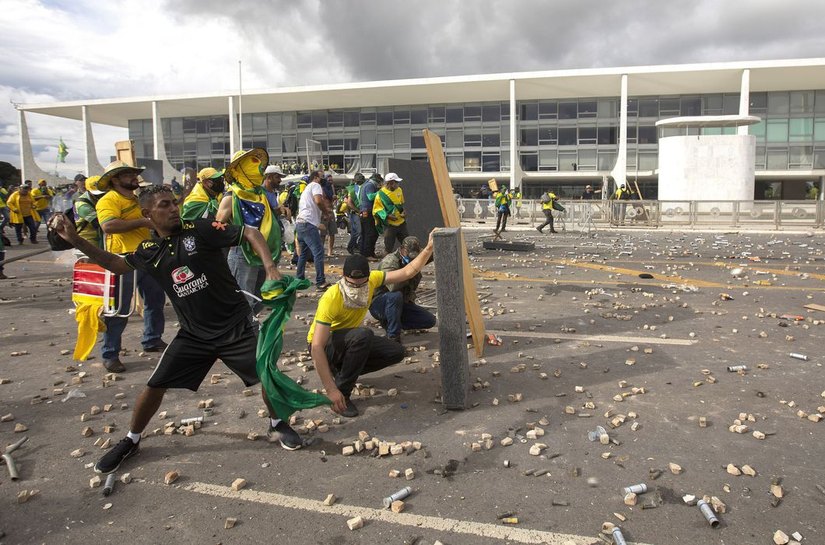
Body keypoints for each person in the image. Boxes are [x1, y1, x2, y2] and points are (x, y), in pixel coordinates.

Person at [50, 185, 305, 475]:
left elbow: (250, 232)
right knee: (154, 385)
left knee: (267, 376)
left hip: (236, 326)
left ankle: (277, 424)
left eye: (174, 202)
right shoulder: (149, 250)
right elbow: (115, 264)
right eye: (164, 205)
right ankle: (131, 440)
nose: (173, 208)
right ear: (147, 214)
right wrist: (73, 238)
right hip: (194, 334)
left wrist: (270, 267)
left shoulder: (202, 228)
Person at [308, 240, 434, 417]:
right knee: (363, 335)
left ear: (368, 277)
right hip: (325, 346)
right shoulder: (331, 298)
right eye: (353, 283)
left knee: (396, 351)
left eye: (362, 283)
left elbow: (407, 272)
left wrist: (428, 248)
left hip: (349, 340)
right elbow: (316, 346)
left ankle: (342, 372)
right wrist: (330, 390)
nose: (357, 288)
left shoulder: (374, 279)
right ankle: (342, 394)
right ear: (344, 277)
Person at [96, 160, 167, 372]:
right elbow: (108, 225)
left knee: (155, 300)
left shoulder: (137, 200)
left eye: (134, 173)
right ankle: (110, 353)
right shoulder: (109, 199)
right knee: (119, 308)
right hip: (122, 260)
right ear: (115, 180)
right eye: (128, 174)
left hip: (146, 255)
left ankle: (152, 339)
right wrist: (143, 223)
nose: (134, 177)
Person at [216, 149, 282, 313]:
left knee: (261, 296)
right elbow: (217, 227)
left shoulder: (259, 195)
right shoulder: (231, 196)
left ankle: (249, 325)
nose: (258, 167)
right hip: (242, 253)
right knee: (243, 300)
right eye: (252, 163)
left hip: (263, 252)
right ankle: (245, 333)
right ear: (240, 169)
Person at [369, 236, 436, 343]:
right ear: (403, 250)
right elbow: (393, 286)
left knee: (429, 320)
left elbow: (429, 255)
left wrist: (433, 243)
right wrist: (410, 271)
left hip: (401, 303)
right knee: (396, 296)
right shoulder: (390, 261)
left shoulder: (414, 257)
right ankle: (393, 337)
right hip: (381, 303)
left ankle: (392, 322)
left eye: (415, 256)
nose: (413, 259)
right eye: (410, 256)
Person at [295, 170, 331, 290]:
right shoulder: (315, 185)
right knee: (318, 252)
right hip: (307, 223)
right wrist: (326, 212)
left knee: (303, 254)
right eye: (322, 177)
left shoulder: (306, 189)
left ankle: (299, 280)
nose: (324, 179)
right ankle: (320, 281)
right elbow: (318, 201)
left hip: (300, 223)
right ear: (316, 177)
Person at [373, 172, 408, 254]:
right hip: (390, 225)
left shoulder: (399, 190)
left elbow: (401, 204)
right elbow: (377, 210)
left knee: (407, 244)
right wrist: (388, 216)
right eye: (397, 182)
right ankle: (386, 264)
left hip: (401, 223)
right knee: (388, 248)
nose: (398, 184)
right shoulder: (380, 194)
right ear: (391, 183)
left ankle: (407, 263)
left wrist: (404, 212)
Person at [73, 175, 108, 249]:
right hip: (88, 240)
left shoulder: (97, 200)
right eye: (97, 194)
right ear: (87, 190)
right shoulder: (82, 205)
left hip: (98, 237)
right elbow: (101, 224)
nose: (101, 196)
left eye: (102, 193)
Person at [358, 173, 382, 259]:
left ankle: (366, 253)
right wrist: (380, 191)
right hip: (367, 212)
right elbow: (370, 197)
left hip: (365, 212)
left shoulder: (366, 184)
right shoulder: (370, 185)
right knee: (371, 233)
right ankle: (368, 254)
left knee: (367, 233)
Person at [344, 173, 364, 255]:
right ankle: (351, 247)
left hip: (355, 213)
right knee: (358, 232)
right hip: (355, 213)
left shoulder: (357, 188)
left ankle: (355, 247)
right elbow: (348, 202)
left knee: (356, 232)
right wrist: (358, 211)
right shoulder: (352, 189)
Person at [319, 173, 337, 257]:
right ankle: (321, 251)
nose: (330, 182)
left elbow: (332, 200)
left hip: (330, 211)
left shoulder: (331, 188)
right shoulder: (322, 189)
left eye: (331, 180)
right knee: (323, 233)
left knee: (332, 232)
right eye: (329, 180)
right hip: (324, 213)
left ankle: (330, 251)